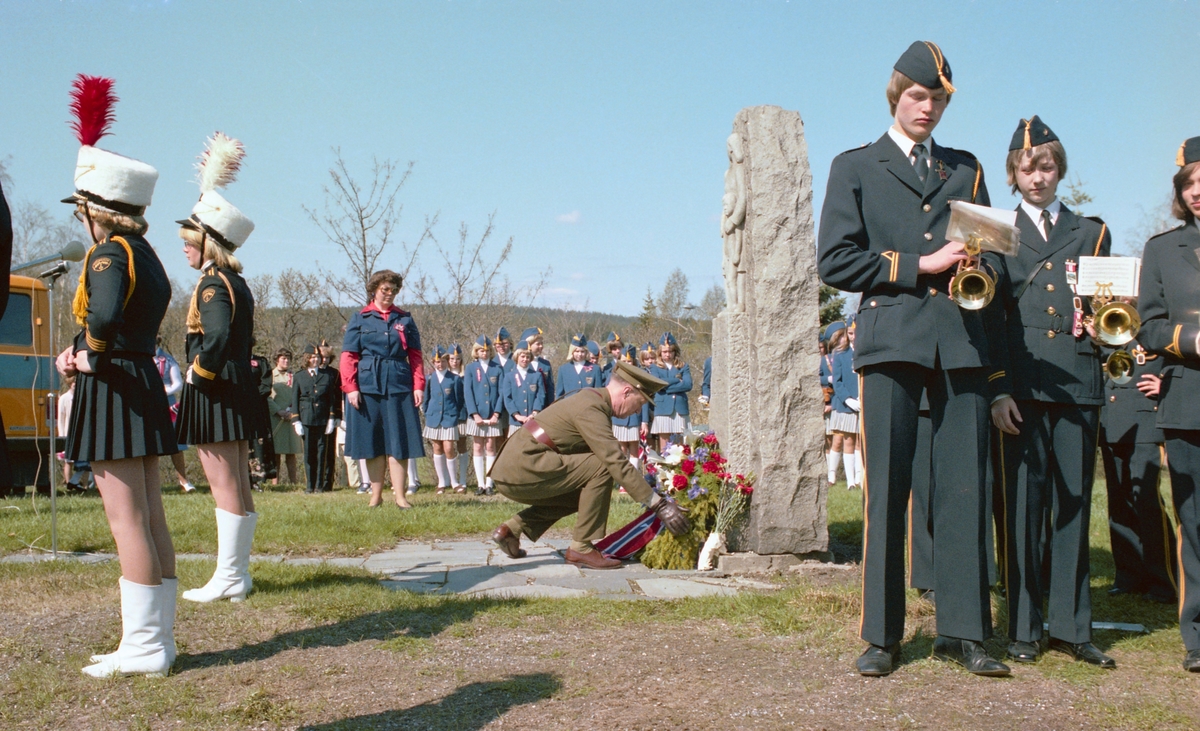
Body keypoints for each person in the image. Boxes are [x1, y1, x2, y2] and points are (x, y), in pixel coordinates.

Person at [817, 42, 1008, 677]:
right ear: (896, 97)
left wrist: (986, 265)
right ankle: (882, 636)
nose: (927, 108)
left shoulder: (967, 168)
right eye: (917, 97)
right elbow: (836, 260)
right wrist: (917, 265)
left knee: (963, 488)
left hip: (960, 343)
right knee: (888, 490)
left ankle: (964, 630)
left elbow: (996, 255)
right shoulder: (856, 166)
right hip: (892, 338)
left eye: (938, 100)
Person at [56, 74, 177, 677]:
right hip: (140, 383)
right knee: (150, 513)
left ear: (92, 209)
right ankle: (159, 640)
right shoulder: (147, 254)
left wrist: (84, 354)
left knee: (125, 516)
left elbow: (103, 315)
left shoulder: (108, 253)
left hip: (114, 386)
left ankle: (145, 646)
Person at [986, 117, 1115, 668]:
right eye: (1025, 167)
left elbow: (1115, 308)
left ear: (1059, 168)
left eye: (1045, 166)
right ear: (1013, 174)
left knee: (1073, 504)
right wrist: (998, 389)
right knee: (1022, 507)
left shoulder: (1092, 232)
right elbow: (987, 317)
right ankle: (1022, 626)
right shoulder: (996, 228)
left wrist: (1104, 330)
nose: (1036, 177)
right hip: (1023, 382)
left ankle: (1072, 625)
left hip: (1077, 381)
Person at [489, 359, 692, 569]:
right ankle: (581, 548)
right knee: (602, 466)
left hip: (519, 466)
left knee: (586, 494)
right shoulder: (592, 407)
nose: (637, 411)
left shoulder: (591, 399)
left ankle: (512, 529)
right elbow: (614, 460)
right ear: (627, 391)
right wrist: (659, 505)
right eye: (639, 403)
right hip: (522, 467)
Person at [175, 132, 264, 606]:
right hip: (237, 386)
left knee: (223, 480)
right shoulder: (236, 280)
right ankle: (238, 574)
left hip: (215, 388)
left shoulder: (212, 284)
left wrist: (197, 374)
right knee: (238, 481)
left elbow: (217, 338)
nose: (185, 249)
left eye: (190, 241)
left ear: (209, 243)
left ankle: (229, 575)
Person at [1135, 135, 1200, 673]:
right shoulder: (1161, 249)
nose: (1197, 191)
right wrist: (1193, 341)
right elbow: (1149, 325)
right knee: (1194, 522)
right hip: (1189, 401)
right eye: (1189, 183)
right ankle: (1197, 636)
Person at [1098, 340, 1176, 604]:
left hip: (1145, 415)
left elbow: (1177, 355)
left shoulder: (1154, 315)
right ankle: (1129, 577)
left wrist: (1167, 384)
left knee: (1147, 501)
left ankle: (1166, 580)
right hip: (1110, 418)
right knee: (1118, 500)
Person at [340, 269, 425, 509]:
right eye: (384, 289)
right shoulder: (360, 318)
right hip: (367, 387)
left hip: (399, 384)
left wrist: (418, 385)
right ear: (375, 290)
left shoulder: (405, 319)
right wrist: (351, 387)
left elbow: (416, 356)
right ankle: (375, 496)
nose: (389, 294)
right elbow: (348, 356)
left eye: (393, 290)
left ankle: (400, 496)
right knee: (373, 442)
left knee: (399, 443)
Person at [292, 344, 342, 493]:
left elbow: (331, 399)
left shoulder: (327, 376)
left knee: (322, 453)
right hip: (306, 418)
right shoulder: (299, 376)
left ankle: (319, 485)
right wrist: (296, 420)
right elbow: (295, 399)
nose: (316, 360)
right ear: (307, 359)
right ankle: (309, 486)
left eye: (317, 357)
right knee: (309, 453)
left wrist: (332, 418)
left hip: (322, 418)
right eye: (313, 357)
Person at [422, 345, 466, 494]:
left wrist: (454, 414)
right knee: (437, 448)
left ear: (447, 361)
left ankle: (454, 482)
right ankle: (442, 482)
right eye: (436, 362)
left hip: (449, 419)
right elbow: (426, 399)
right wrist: (427, 413)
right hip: (434, 419)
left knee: (449, 448)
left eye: (442, 361)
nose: (439, 364)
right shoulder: (429, 379)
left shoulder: (454, 379)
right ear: (433, 363)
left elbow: (459, 400)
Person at [463, 335, 504, 495]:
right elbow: (468, 392)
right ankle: (480, 484)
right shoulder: (471, 368)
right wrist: (474, 414)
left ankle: (489, 483)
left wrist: (496, 413)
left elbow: (501, 393)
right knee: (478, 446)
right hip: (477, 416)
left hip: (493, 415)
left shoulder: (497, 368)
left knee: (491, 447)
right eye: (481, 350)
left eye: (487, 350)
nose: (484, 353)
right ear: (476, 351)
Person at [154, 339, 195, 492]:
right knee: (151, 444)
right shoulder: (141, 358)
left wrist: (163, 391)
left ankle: (183, 481)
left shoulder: (167, 360)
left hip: (168, 405)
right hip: (147, 405)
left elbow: (177, 383)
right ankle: (152, 482)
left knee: (176, 444)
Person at [829, 321, 861, 490]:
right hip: (847, 405)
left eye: (856, 333)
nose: (853, 337)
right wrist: (848, 399)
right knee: (847, 442)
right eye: (850, 333)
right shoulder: (840, 354)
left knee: (860, 444)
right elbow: (837, 381)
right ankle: (850, 481)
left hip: (863, 404)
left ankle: (859, 478)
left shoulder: (865, 353)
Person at [648, 333, 692, 452]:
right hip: (663, 408)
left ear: (675, 351)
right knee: (665, 446)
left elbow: (688, 385)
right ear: (660, 352)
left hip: (680, 408)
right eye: (664, 352)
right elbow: (657, 384)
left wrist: (666, 387)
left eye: (670, 351)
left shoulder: (683, 366)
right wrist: (677, 380)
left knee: (680, 447)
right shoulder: (655, 367)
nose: (667, 354)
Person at [268, 348, 301, 484]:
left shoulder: (294, 376)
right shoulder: (270, 375)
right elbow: (267, 397)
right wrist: (278, 411)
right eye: (283, 358)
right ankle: (275, 483)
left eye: (288, 358)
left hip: (291, 418)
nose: (286, 361)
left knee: (291, 453)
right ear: (277, 360)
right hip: (276, 419)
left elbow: (299, 395)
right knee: (276, 453)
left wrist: (293, 411)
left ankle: (293, 482)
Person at [503, 339, 547, 437]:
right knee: (515, 448)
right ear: (517, 357)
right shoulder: (509, 376)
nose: (525, 359)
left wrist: (534, 413)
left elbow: (540, 396)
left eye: (528, 357)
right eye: (522, 356)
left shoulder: (536, 375)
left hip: (533, 420)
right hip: (516, 421)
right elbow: (507, 398)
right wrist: (517, 415)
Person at [247, 347, 278, 486]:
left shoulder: (260, 362)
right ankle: (243, 478)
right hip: (238, 410)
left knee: (259, 442)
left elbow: (266, 385)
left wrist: (252, 397)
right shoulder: (233, 361)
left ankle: (258, 479)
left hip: (258, 408)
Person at [449, 343, 471, 490]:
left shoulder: (466, 375)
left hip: (463, 415)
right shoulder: (445, 375)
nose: (454, 361)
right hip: (448, 416)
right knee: (448, 448)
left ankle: (463, 479)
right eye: (451, 358)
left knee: (462, 446)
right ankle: (449, 480)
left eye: (457, 358)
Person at [556, 334, 603, 401]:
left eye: (582, 351)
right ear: (572, 352)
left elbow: (598, 394)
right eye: (577, 351)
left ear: (586, 352)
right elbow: (559, 396)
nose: (580, 354)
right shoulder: (563, 370)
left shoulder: (595, 369)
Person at [522, 327, 555, 407]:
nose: (541, 346)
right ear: (529, 345)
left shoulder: (545, 364)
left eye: (542, 344)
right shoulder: (519, 363)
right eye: (538, 344)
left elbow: (550, 389)